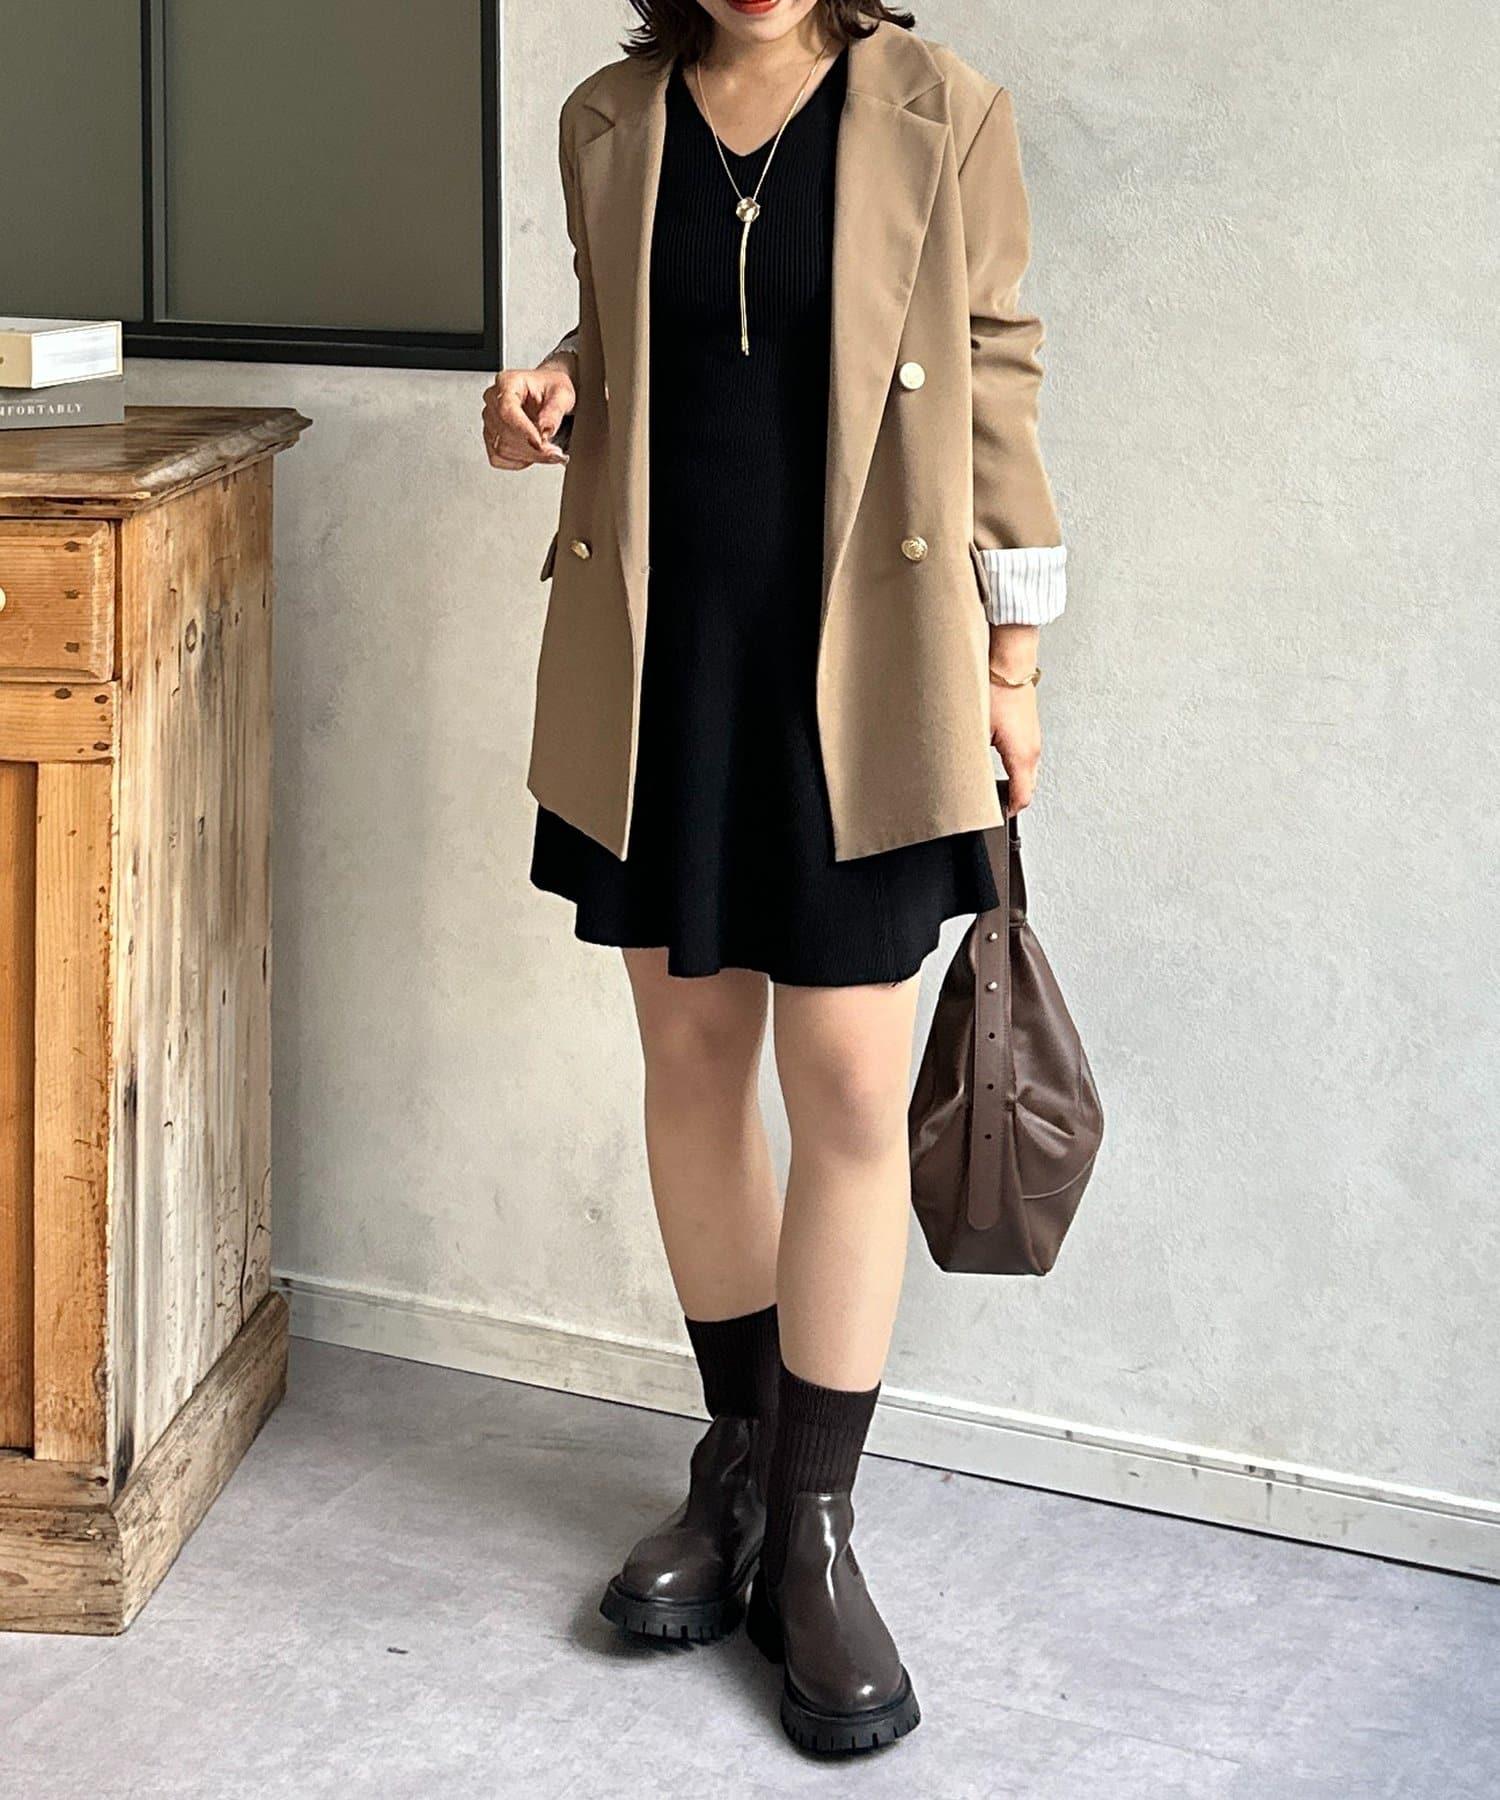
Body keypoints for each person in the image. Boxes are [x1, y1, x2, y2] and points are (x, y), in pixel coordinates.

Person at [482, 0, 1065, 1756]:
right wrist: (548, 387)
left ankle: (816, 1524)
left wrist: (1017, 663)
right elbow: (628, 333)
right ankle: (734, 1467)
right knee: (689, 1061)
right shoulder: (610, 114)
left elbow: (995, 370)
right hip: (666, 662)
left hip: (866, 663)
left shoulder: (942, 107)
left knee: (852, 1088)